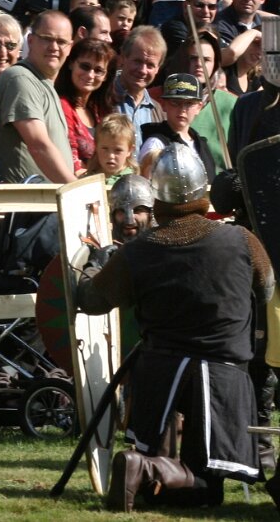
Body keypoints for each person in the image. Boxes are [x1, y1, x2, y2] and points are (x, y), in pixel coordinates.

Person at [77, 146, 272, 511]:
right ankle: (146, 469)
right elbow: (266, 291)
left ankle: (145, 466)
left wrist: (95, 265)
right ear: (202, 190)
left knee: (193, 492)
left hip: (160, 373)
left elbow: (91, 300)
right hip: (222, 373)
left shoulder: (137, 251)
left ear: (157, 197)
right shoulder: (242, 240)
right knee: (208, 490)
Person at [0, 10, 76, 183]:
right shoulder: (20, 78)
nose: (54, 47)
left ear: (70, 47)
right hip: (25, 198)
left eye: (61, 42)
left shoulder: (44, 83)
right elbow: (38, 146)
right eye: (47, 39)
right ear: (31, 41)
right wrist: (77, 191)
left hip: (46, 196)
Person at [57, 37, 114, 178]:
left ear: (106, 76)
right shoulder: (62, 105)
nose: (90, 75)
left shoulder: (101, 111)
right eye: (85, 66)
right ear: (71, 64)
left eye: (98, 70)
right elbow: (71, 158)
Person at [114, 25, 167, 141]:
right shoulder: (103, 98)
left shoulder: (158, 112)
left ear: (158, 68)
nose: (143, 70)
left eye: (150, 65)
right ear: (123, 57)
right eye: (137, 61)